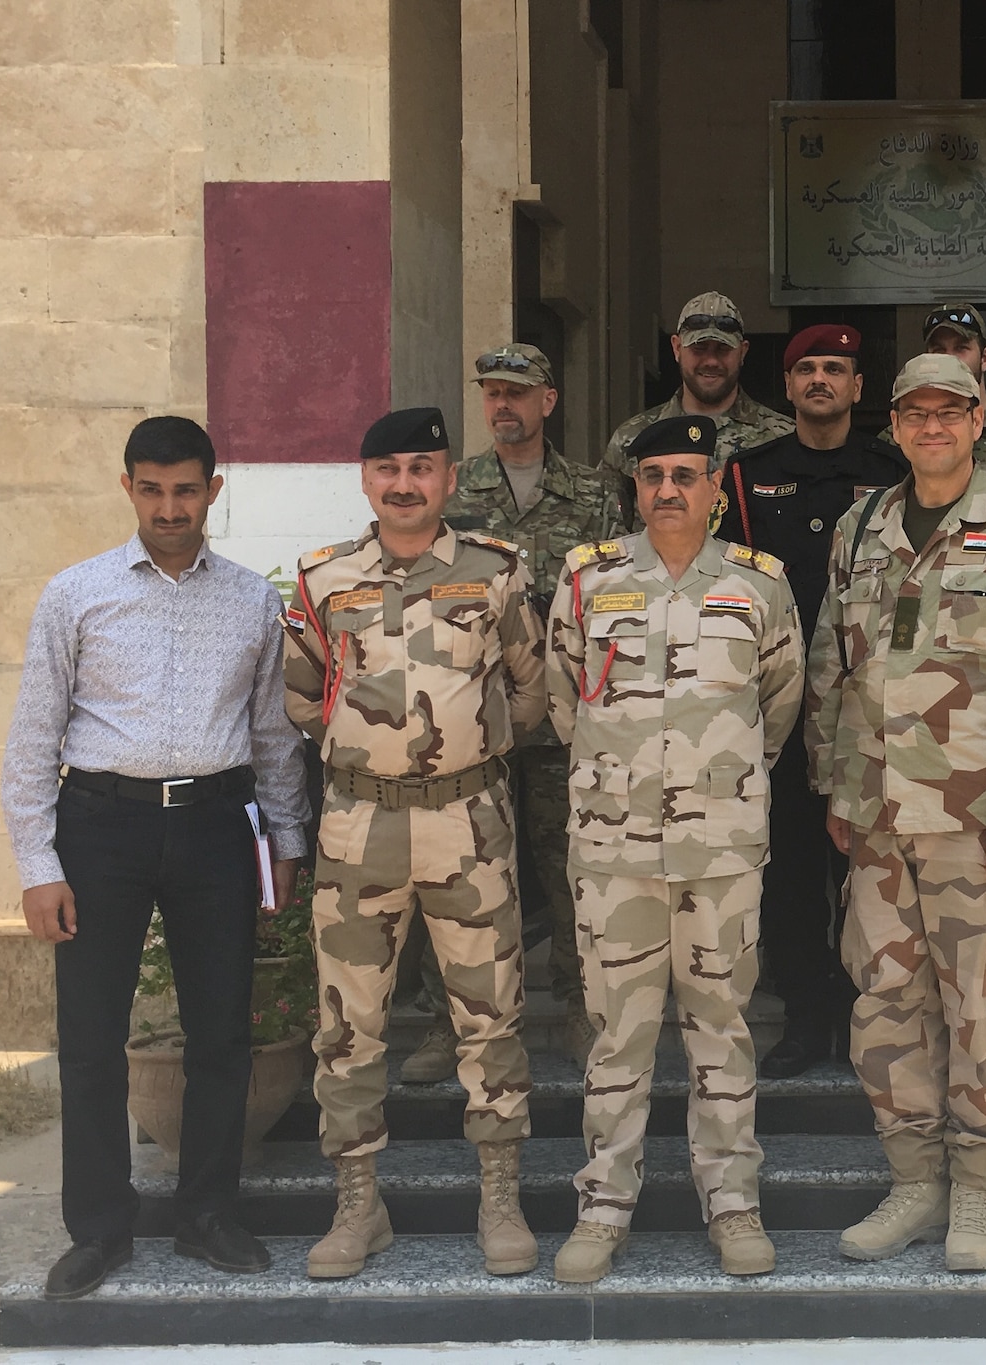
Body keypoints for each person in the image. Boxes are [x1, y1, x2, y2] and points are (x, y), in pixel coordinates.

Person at [2, 416, 310, 1301]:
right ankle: (99, 1227)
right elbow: (33, 738)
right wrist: (37, 862)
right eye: (151, 488)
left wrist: (285, 841)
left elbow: (271, 736)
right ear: (129, 488)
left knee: (222, 1032)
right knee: (91, 1038)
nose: (169, 507)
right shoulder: (76, 594)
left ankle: (207, 1213)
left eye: (186, 489)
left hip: (216, 825)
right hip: (100, 826)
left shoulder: (253, 600)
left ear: (214, 490)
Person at [805, 353, 986, 1273]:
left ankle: (976, 1190)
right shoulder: (860, 526)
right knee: (886, 1004)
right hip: (878, 816)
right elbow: (830, 665)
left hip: (977, 820)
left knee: (978, 1008)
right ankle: (914, 1181)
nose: (933, 426)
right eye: (916, 412)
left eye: (949, 411)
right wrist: (837, 787)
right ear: (894, 422)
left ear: (980, 418)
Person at [282, 408, 547, 1281]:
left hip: (467, 822)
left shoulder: (497, 572)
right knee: (347, 1022)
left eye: (422, 467)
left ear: (446, 478)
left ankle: (498, 1194)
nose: (404, 483)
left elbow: (530, 686)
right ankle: (359, 1201)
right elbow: (299, 696)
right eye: (388, 468)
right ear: (366, 479)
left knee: (490, 1012)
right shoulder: (323, 580)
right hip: (357, 826)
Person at [544, 415, 804, 1282]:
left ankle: (732, 1202)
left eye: (684, 474)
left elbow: (777, 705)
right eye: (652, 474)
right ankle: (604, 1204)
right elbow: (562, 700)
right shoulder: (587, 581)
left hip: (720, 851)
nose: (666, 490)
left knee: (722, 1027)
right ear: (635, 487)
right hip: (614, 849)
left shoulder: (760, 586)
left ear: (716, 487)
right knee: (617, 1035)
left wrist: (712, 780)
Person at [388, 344, 620, 1081]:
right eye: (492, 393)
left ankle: (583, 1009)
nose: (502, 406)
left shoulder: (593, 493)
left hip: (564, 713)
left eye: (517, 393)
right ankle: (445, 1022)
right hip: (468, 714)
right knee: (458, 871)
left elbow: (615, 597)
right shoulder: (454, 495)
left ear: (548, 400)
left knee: (569, 864)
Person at [717, 323, 906, 1078]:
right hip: (780, 703)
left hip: (872, 705)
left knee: (870, 870)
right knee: (790, 867)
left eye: (837, 367)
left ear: (860, 387)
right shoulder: (746, 475)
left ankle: (871, 1016)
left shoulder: (892, 475)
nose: (821, 379)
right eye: (807, 369)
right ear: (788, 386)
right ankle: (804, 1011)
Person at [603, 291, 795, 519]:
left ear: (742, 352)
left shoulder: (782, 437)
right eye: (699, 348)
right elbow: (608, 528)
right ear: (676, 348)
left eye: (723, 349)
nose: (711, 361)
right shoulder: (632, 438)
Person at [922, 303, 986, 473]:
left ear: (985, 358)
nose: (950, 359)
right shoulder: (905, 435)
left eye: (961, 348)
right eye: (939, 349)